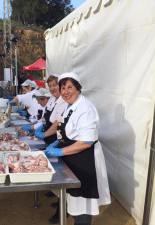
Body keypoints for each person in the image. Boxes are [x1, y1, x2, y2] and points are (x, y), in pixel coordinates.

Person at [45, 72, 111, 224]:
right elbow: (67, 129)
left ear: (78, 88)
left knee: (83, 206)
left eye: (70, 87)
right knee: (75, 202)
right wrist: (58, 142)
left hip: (85, 161)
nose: (66, 91)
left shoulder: (85, 108)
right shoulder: (70, 106)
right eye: (63, 88)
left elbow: (85, 142)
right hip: (73, 159)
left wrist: (60, 151)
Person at [34, 74, 68, 144]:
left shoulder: (64, 101)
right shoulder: (52, 99)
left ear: (61, 86)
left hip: (55, 139)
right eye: (50, 86)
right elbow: (46, 116)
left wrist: (44, 134)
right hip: (47, 138)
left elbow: (57, 123)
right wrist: (42, 125)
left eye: (55, 85)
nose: (52, 88)